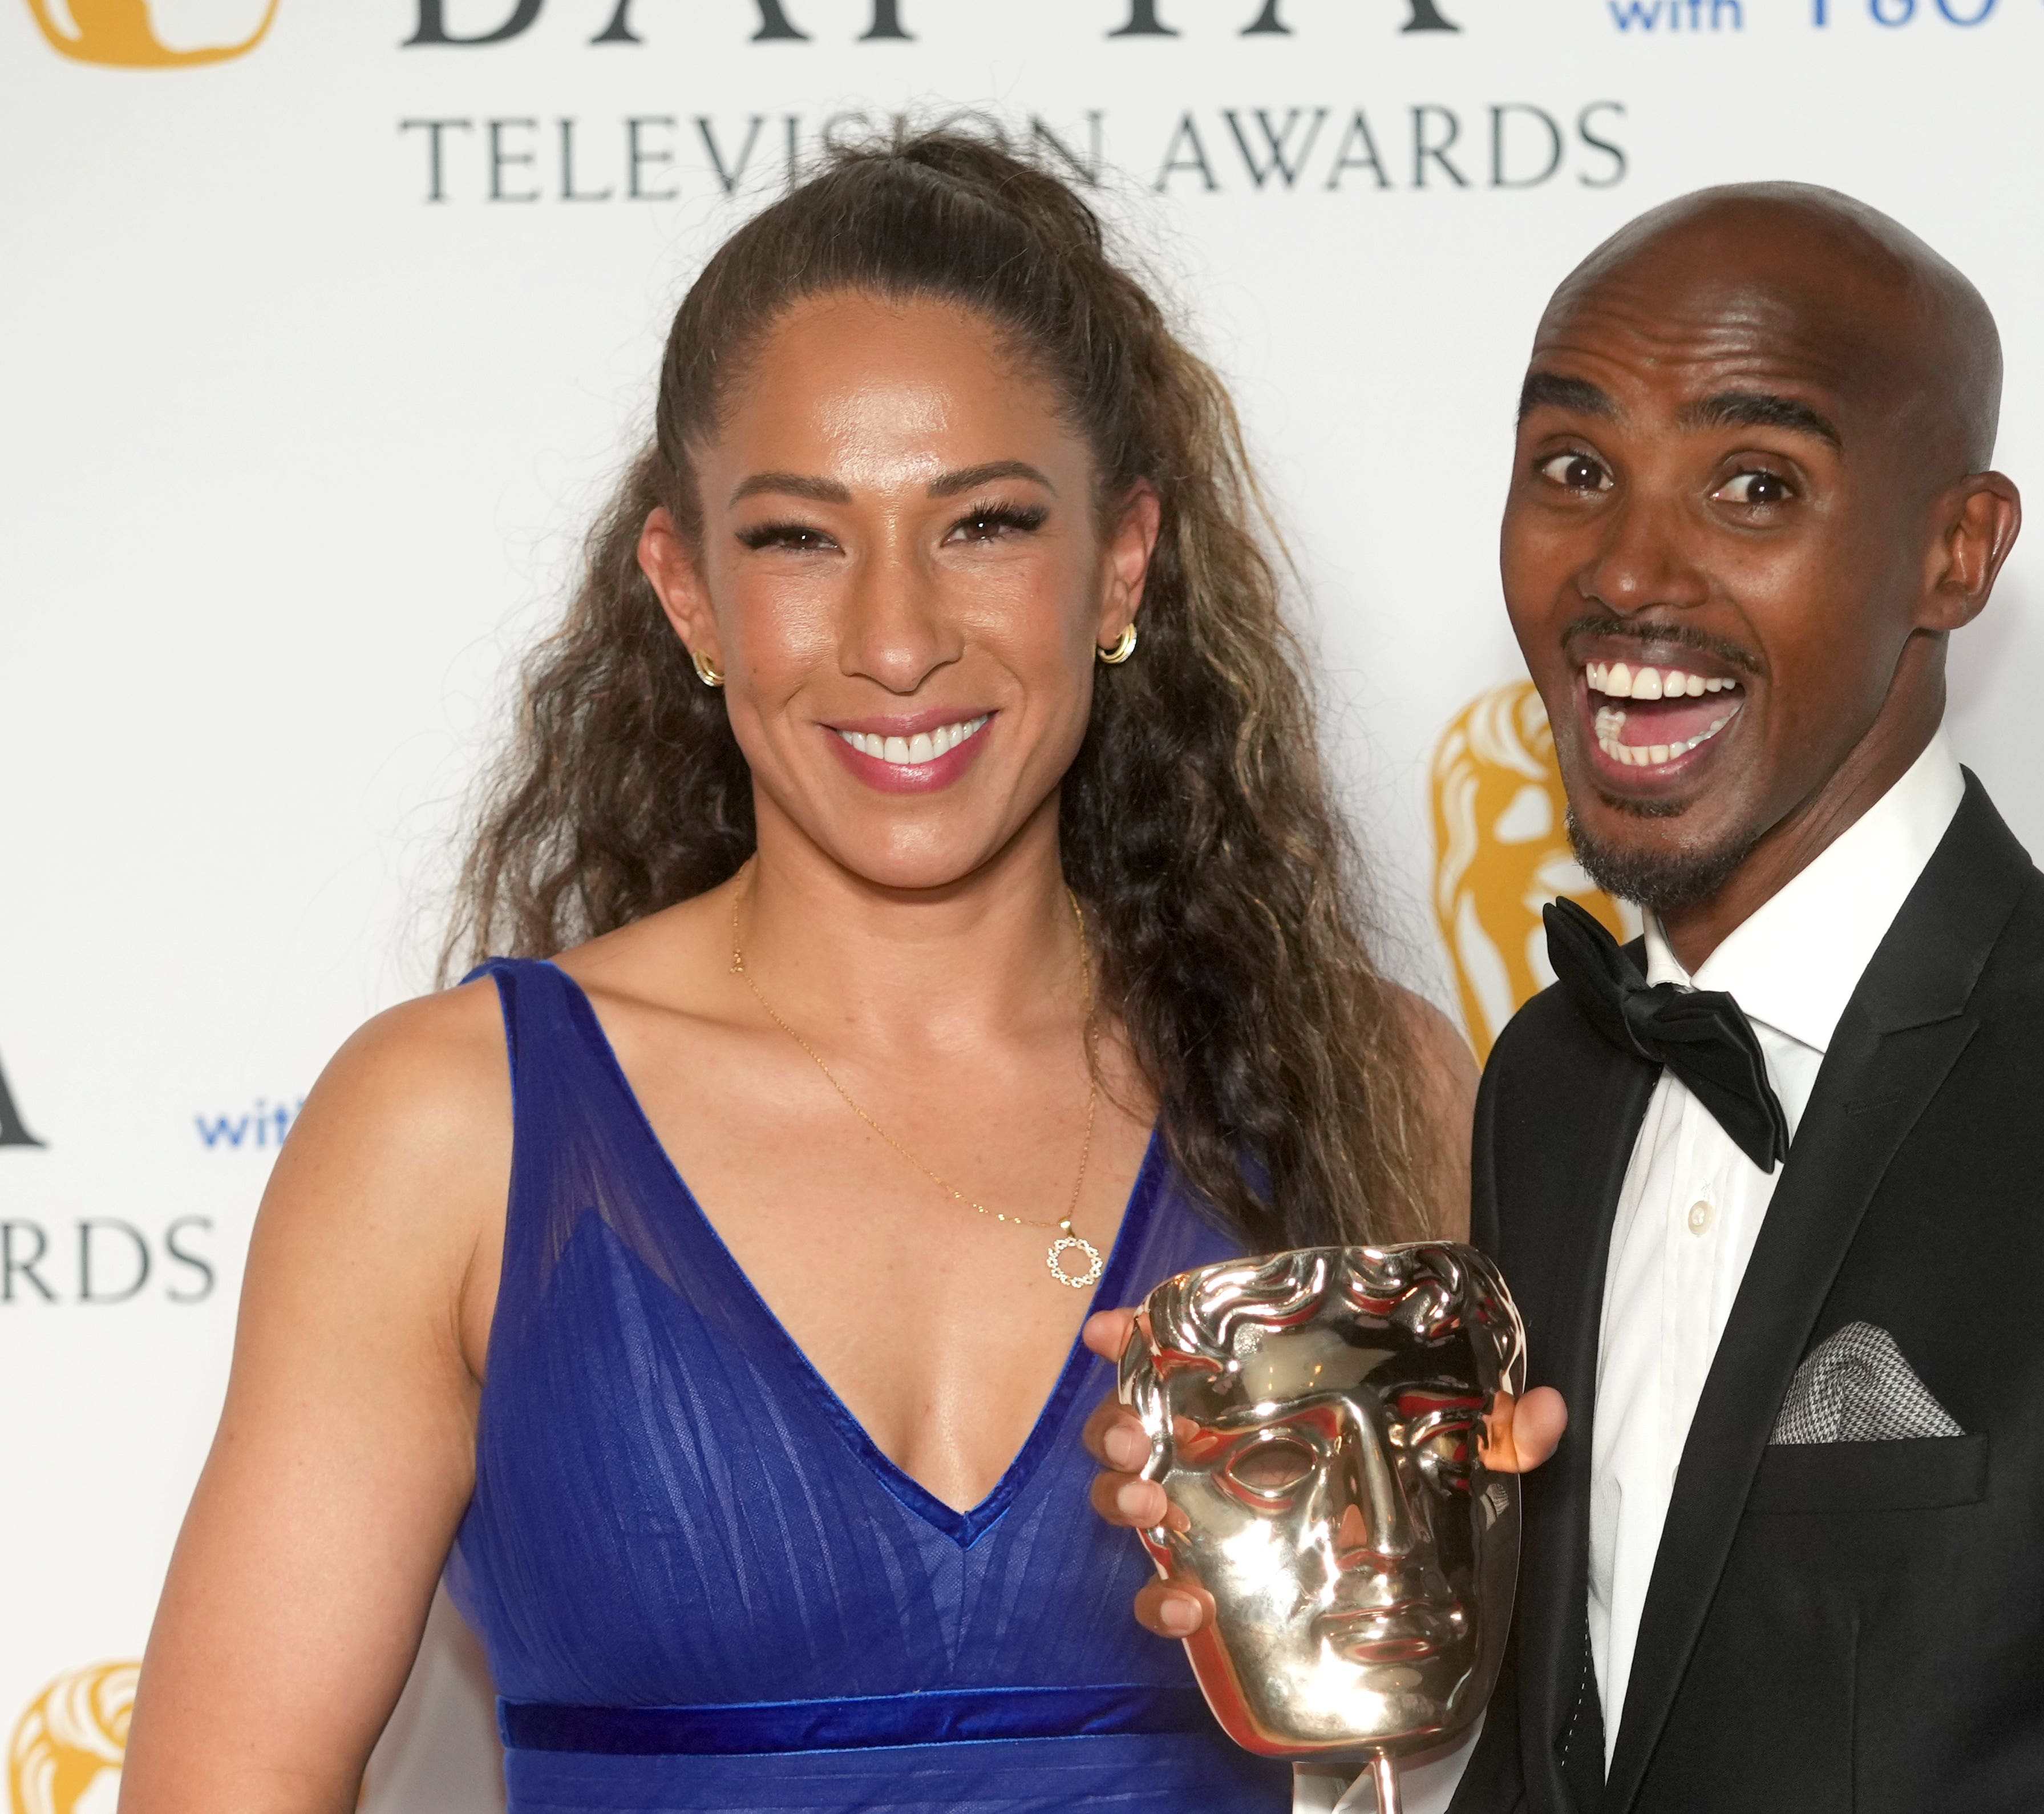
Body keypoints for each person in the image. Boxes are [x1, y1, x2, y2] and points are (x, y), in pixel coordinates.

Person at [1090, 183, 2044, 1813]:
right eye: (1575, 471)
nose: (1628, 573)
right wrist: (1376, 1671)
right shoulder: (1555, 1083)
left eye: (1755, 485)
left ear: (1957, 549)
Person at [120, 131, 1474, 1814]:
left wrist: (1516, 1586)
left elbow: (1489, 1754)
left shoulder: (1370, 1083)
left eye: (982, 522)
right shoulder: (454, 1125)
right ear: (686, 590)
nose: (898, 640)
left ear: (1122, 563)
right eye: (798, 540)